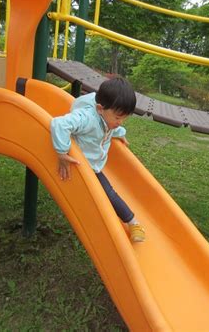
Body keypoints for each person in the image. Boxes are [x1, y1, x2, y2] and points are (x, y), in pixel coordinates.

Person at [50, 77, 146, 243]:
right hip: (85, 167)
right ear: (100, 108)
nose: (120, 122)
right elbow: (59, 124)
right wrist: (61, 152)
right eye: (118, 118)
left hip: (93, 164)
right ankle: (133, 223)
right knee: (108, 193)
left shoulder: (106, 117)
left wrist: (119, 132)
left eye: (124, 118)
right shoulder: (87, 118)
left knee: (103, 195)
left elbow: (106, 128)